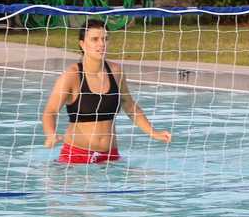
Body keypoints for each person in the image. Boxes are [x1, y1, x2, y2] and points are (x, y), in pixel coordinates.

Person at [42, 19, 171, 163]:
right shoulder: (72, 76)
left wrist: (154, 133)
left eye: (105, 39)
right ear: (82, 44)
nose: (101, 44)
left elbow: (129, 106)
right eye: (95, 39)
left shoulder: (116, 72)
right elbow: (50, 111)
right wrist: (50, 134)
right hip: (77, 157)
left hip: (111, 157)